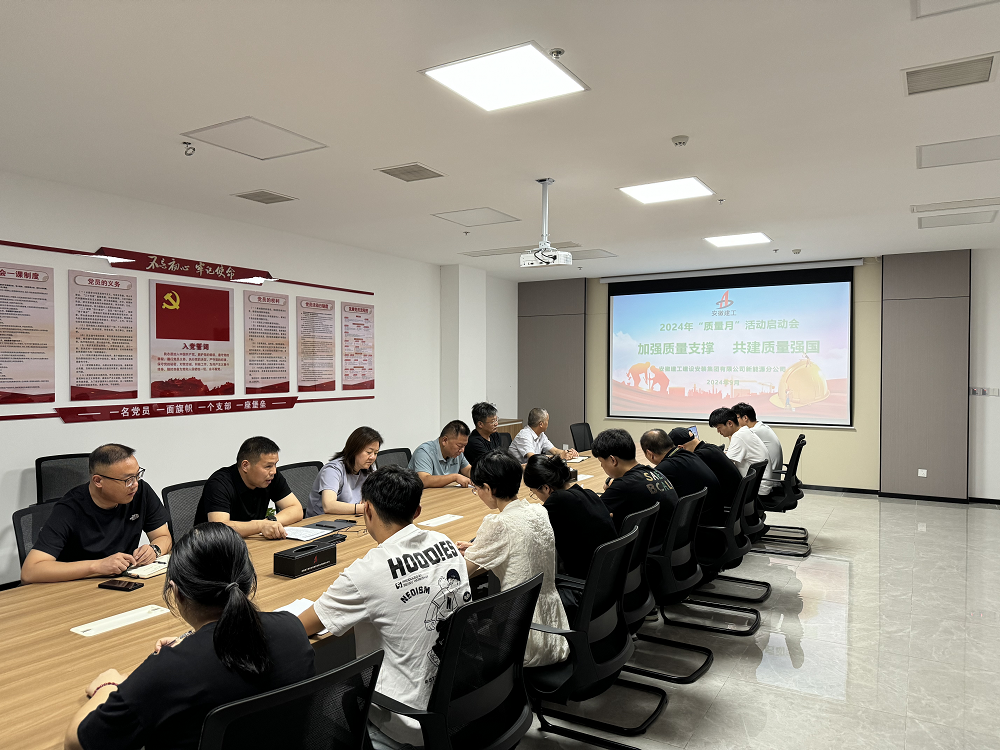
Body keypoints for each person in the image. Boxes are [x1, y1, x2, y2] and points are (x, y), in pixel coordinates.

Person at [65, 522, 315, 750]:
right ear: (248, 580)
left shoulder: (168, 670)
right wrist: (192, 643)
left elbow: (77, 743)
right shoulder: (292, 629)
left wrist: (107, 685)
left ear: (176, 592)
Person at [297, 466, 472, 750]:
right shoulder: (446, 543)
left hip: (406, 718)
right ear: (417, 511)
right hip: (460, 697)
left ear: (367, 510)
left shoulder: (367, 572)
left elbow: (302, 627)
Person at [459, 451, 570, 667]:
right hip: (554, 628)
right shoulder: (538, 511)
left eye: (477, 488)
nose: (477, 493)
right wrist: (480, 548)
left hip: (521, 637)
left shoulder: (498, 524)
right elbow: (520, 545)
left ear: (488, 489)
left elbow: (462, 572)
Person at [21, 444, 172, 584]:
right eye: (128, 479)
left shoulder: (140, 492)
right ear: (98, 481)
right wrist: (97, 566)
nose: (135, 484)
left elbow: (163, 536)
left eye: (137, 475)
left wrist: (155, 550)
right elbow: (30, 571)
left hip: (121, 581)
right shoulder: (69, 509)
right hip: (78, 585)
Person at [523, 454, 616, 620]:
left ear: (546, 488)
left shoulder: (558, 501)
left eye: (534, 493)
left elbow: (526, 532)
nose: (538, 498)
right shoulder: (588, 493)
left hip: (582, 590)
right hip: (608, 584)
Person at [194, 436, 303, 539]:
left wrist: (270, 522)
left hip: (250, 541)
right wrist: (261, 526)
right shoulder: (219, 484)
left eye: (275, 464)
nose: (273, 471)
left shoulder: (271, 477)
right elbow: (220, 529)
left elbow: (296, 509)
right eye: (268, 466)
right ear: (245, 465)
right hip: (212, 547)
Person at [592, 428, 678, 548]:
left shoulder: (623, 485)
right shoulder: (652, 471)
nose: (601, 466)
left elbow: (593, 514)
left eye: (601, 461)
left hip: (646, 548)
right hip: (669, 542)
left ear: (613, 460)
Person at [640, 428, 726, 526]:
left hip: (701, 525)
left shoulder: (665, 469)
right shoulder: (688, 454)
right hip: (716, 516)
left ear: (650, 454)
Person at [306, 426, 382, 517]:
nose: (373, 457)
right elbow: (329, 506)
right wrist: (363, 508)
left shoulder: (368, 468)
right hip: (321, 521)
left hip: (348, 517)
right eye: (369, 452)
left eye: (376, 453)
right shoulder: (333, 470)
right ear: (354, 450)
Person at [667, 427, 744, 516]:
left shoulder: (700, 457)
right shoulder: (710, 448)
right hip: (735, 502)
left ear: (680, 448)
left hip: (726, 507)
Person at [732, 402, 783, 497]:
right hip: (771, 475)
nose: (734, 422)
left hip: (767, 480)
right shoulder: (761, 427)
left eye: (736, 418)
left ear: (745, 418)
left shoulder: (752, 432)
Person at [708, 407, 771, 481]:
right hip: (759, 482)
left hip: (757, 485)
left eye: (719, 428)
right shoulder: (744, 432)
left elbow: (725, 463)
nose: (718, 431)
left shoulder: (738, 436)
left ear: (730, 423)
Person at [409, 420, 473, 488]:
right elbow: (424, 480)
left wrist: (480, 473)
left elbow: (468, 470)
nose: (462, 450)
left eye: (464, 446)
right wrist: (455, 477)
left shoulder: (457, 453)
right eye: (459, 446)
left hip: (445, 492)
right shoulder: (424, 452)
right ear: (445, 440)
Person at [508, 408, 578, 464]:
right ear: (541, 424)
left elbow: (555, 451)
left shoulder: (541, 434)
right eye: (547, 421)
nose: (548, 424)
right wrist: (558, 457)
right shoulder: (524, 435)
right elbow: (533, 458)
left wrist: (568, 452)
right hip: (516, 473)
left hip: (531, 469)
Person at [464, 402, 505, 469]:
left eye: (496, 420)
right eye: (492, 421)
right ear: (480, 424)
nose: (496, 424)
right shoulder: (473, 442)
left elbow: (502, 456)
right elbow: (490, 464)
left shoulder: (495, 435)